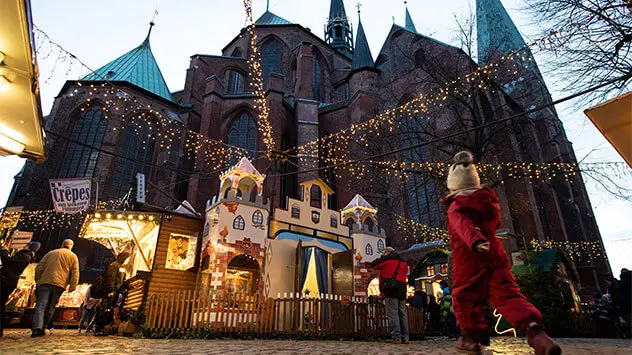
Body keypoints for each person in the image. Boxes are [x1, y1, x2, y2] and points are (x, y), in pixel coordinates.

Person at [444, 151, 560, 355]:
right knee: (507, 293)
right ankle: (535, 332)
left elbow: (462, 225)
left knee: (465, 295)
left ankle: (470, 339)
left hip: (469, 255)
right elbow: (493, 222)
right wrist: (484, 238)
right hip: (495, 252)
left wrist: (476, 240)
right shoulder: (489, 201)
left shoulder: (456, 206)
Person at [32, 239, 79, 338]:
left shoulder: (51, 253)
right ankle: (44, 327)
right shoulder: (73, 256)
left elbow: (39, 267)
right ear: (71, 246)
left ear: (62, 244)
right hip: (59, 285)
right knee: (51, 307)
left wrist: (38, 279)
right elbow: (75, 273)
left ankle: (37, 328)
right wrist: (72, 286)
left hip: (45, 282)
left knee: (41, 305)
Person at [371, 246, 409, 344]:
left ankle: (396, 337)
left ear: (387, 252)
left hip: (390, 289)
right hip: (402, 289)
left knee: (393, 314)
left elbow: (374, 265)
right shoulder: (403, 262)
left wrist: (383, 257)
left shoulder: (387, 260)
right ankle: (405, 337)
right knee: (403, 314)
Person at [1, 241, 41, 334]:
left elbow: (7, 261)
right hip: (7, 280)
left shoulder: (24, 256)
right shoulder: (24, 255)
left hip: (7, 280)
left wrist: (4, 251)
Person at [92, 251, 130, 335]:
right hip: (111, 291)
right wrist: (110, 290)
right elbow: (110, 279)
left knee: (109, 309)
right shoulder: (114, 266)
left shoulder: (120, 267)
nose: (128, 260)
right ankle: (99, 328)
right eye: (128, 258)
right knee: (105, 309)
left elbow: (120, 280)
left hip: (116, 291)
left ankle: (102, 327)